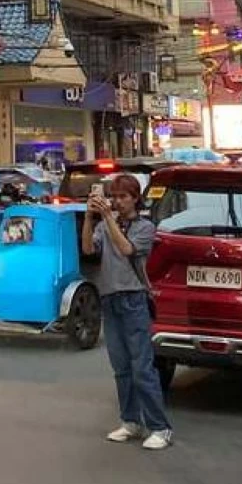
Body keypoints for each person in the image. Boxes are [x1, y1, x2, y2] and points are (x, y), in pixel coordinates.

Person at [86, 172, 173, 450]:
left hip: (134, 299)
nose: (117, 201)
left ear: (135, 198)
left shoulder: (145, 227)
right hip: (110, 299)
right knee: (121, 367)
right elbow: (88, 248)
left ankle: (160, 426)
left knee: (141, 367)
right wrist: (90, 218)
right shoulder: (103, 226)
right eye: (114, 196)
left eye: (123, 196)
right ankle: (130, 421)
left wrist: (108, 218)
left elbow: (126, 250)